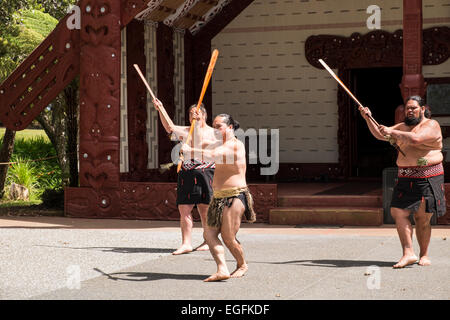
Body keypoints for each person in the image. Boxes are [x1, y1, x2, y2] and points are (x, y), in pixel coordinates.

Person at [359, 95, 445, 268]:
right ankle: (408, 253)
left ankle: (424, 254)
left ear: (422, 109)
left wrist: (393, 132)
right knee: (398, 212)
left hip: (427, 176)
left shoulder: (431, 125)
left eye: (413, 108)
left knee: (422, 218)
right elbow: (381, 134)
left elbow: (416, 139)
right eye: (407, 108)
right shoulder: (402, 127)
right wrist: (368, 118)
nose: (410, 111)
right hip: (406, 177)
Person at [181, 113, 256, 282]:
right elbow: (186, 135)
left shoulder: (236, 145)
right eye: (213, 126)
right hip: (218, 197)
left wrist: (191, 151)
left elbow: (213, 155)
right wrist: (198, 120)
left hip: (235, 196)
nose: (215, 130)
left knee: (228, 237)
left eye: (218, 127)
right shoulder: (216, 143)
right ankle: (222, 269)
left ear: (230, 127)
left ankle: (242, 264)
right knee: (209, 235)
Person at [152, 98, 216, 255]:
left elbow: (200, 138)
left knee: (205, 209)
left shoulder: (214, 133)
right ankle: (186, 243)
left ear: (205, 115)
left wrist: (198, 122)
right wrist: (161, 109)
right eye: (191, 113)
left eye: (197, 113)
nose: (193, 115)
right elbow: (170, 128)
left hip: (206, 172)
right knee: (184, 208)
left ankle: (208, 240)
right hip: (187, 172)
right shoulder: (186, 131)